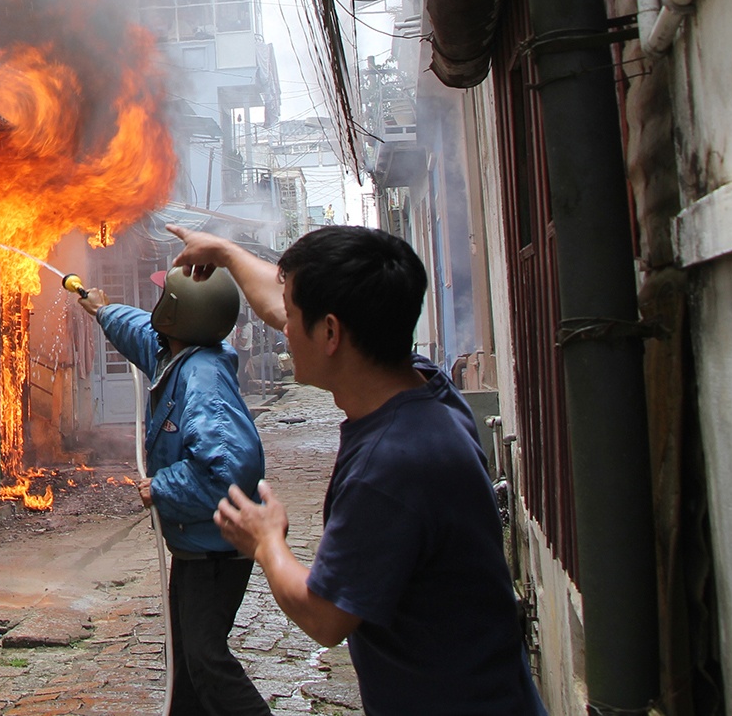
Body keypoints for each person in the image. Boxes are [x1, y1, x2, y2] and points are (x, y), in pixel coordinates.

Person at [166, 223, 546, 716]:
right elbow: (279, 305)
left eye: (293, 318)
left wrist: (267, 543)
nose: (282, 326)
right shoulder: (425, 386)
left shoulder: (388, 468)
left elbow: (325, 617)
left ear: (330, 332)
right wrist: (225, 252)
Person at [77, 266, 272, 716]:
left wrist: (160, 486)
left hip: (217, 553)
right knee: (185, 659)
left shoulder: (202, 378)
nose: (156, 305)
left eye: (163, 298)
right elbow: (141, 332)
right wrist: (103, 310)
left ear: (176, 314)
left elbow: (227, 472)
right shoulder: (179, 354)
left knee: (205, 659)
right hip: (196, 549)